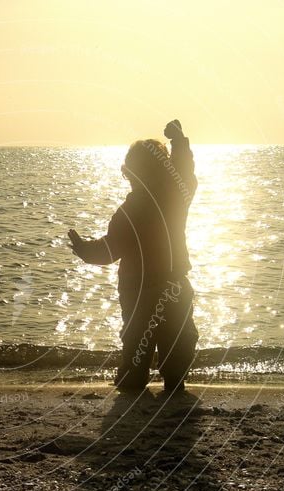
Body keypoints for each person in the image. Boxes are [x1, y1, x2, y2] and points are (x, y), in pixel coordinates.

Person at [67, 120, 198, 392]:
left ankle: (137, 376)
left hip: (139, 288)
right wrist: (179, 141)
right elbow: (184, 172)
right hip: (170, 284)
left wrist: (84, 250)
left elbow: (111, 249)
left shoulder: (135, 207)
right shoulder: (176, 196)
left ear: (133, 173)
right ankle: (170, 378)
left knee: (139, 340)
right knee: (176, 339)